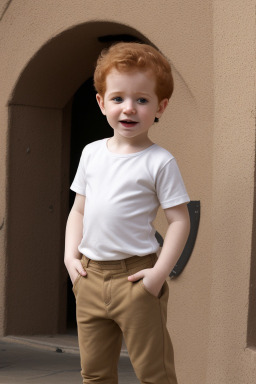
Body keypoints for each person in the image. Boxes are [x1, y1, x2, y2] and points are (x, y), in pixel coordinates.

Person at [64, 42, 190, 384]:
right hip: (88, 279)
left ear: (160, 106)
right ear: (101, 102)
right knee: (94, 374)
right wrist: (70, 260)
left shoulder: (159, 161)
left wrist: (159, 274)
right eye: (118, 98)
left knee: (155, 374)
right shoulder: (91, 153)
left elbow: (180, 221)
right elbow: (78, 211)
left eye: (142, 100)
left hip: (137, 278)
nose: (129, 109)